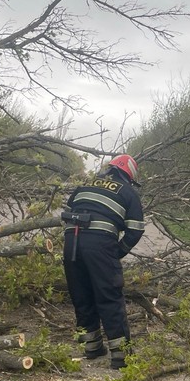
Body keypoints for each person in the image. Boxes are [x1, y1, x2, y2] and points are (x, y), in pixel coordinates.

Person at [62, 154, 145, 369]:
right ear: (128, 175)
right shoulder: (127, 192)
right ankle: (121, 356)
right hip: (100, 245)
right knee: (109, 295)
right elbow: (135, 229)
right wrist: (117, 252)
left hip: (71, 241)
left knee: (81, 293)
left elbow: (68, 212)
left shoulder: (85, 184)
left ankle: (92, 347)